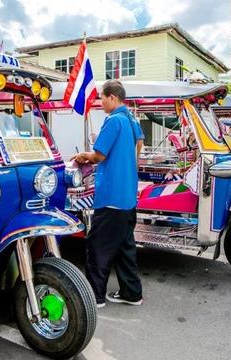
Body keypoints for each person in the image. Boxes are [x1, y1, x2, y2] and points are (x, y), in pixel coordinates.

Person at [72, 80, 144, 308]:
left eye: (102, 97)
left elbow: (99, 155)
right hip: (128, 196)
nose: (100, 102)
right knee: (125, 248)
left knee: (97, 247)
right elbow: (139, 144)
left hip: (111, 197)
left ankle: (94, 297)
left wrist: (84, 155)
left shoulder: (113, 120)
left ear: (112, 97)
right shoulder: (131, 119)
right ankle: (132, 293)